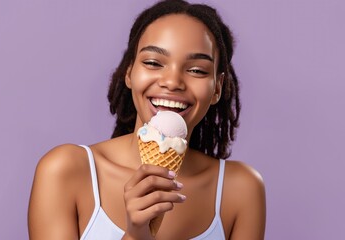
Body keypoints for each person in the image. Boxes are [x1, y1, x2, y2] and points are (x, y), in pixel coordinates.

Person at [28, 0, 266, 239]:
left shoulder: (241, 190)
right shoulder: (65, 171)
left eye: (197, 70)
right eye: (153, 63)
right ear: (129, 73)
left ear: (217, 88)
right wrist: (135, 235)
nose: (172, 82)